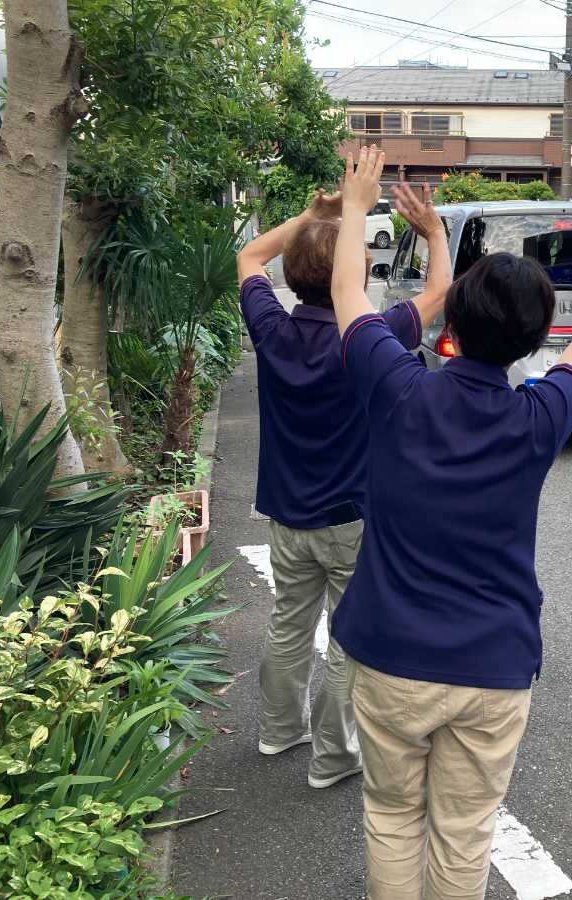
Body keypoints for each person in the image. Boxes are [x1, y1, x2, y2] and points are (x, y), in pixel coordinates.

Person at [329, 147, 572, 900]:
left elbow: (346, 295)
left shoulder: (398, 388)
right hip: (493, 664)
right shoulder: (540, 416)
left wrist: (360, 205)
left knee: (392, 817)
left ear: (450, 320)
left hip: (390, 652)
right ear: (533, 342)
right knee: (465, 837)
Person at [235, 181, 451, 789]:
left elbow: (249, 257)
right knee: (347, 640)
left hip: (284, 512)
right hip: (353, 516)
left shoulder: (272, 329)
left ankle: (279, 731)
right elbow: (439, 292)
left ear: (296, 276)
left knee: (287, 620)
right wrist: (433, 232)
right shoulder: (372, 337)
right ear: (353, 273)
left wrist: (308, 217)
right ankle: (333, 758)